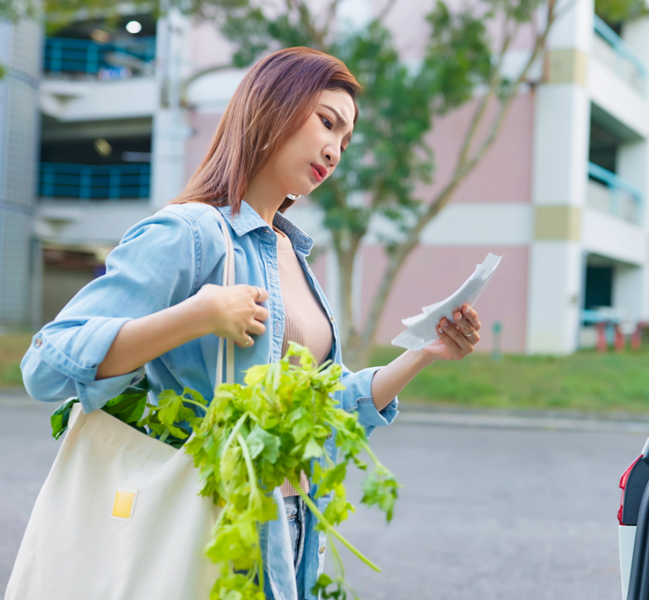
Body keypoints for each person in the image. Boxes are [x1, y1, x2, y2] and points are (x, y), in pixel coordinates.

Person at [20, 46, 483, 600]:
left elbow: (318, 408)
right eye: (326, 123)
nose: (335, 150)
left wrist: (422, 354)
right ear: (273, 108)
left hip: (283, 528)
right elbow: (47, 364)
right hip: (195, 529)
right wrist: (197, 316)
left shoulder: (294, 256)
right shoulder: (189, 233)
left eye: (346, 139)